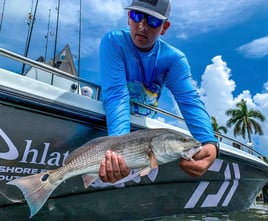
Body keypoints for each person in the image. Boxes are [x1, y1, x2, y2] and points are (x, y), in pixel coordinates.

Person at [98, 0, 219, 184]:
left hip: (149, 139)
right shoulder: (113, 42)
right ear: (128, 17)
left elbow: (189, 101)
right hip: (116, 131)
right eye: (137, 16)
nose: (142, 26)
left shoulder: (174, 60)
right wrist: (117, 151)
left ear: (165, 27)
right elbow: (116, 95)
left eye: (153, 21)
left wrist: (209, 142)